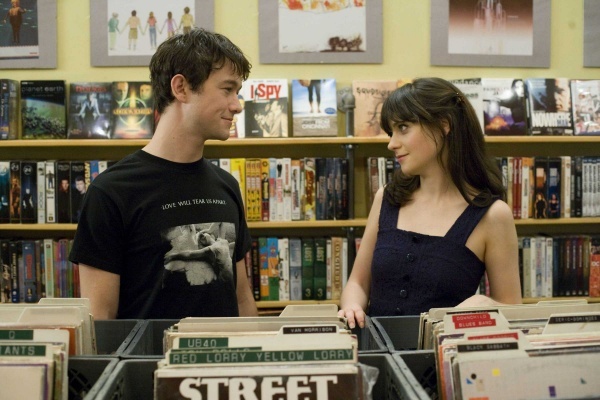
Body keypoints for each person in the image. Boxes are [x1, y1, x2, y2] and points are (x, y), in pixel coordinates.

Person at [69, 28, 257, 320]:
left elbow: (242, 301)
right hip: (147, 366)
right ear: (181, 88)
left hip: (226, 364)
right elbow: (99, 320)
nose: (237, 105)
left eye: (238, 92)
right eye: (227, 89)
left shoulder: (227, 186)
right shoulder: (111, 192)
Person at [338, 78, 522, 329]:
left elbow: (512, 310)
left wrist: (483, 303)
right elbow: (357, 283)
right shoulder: (386, 198)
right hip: (375, 358)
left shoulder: (492, 215)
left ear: (443, 125)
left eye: (403, 127)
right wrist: (352, 306)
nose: (392, 143)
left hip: (445, 362)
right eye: (391, 132)